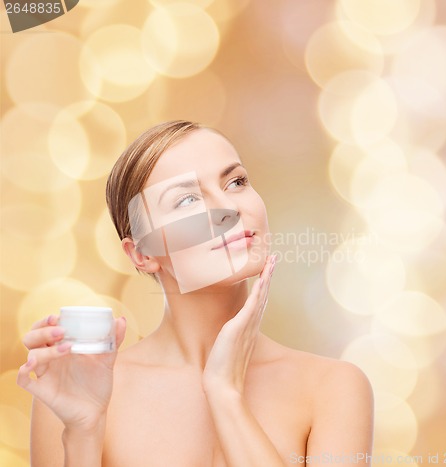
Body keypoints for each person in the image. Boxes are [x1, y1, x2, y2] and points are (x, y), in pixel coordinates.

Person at [17, 121, 374, 466]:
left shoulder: (333, 388)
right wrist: (83, 432)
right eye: (187, 200)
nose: (230, 210)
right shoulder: (77, 391)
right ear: (142, 253)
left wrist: (225, 394)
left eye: (236, 182)